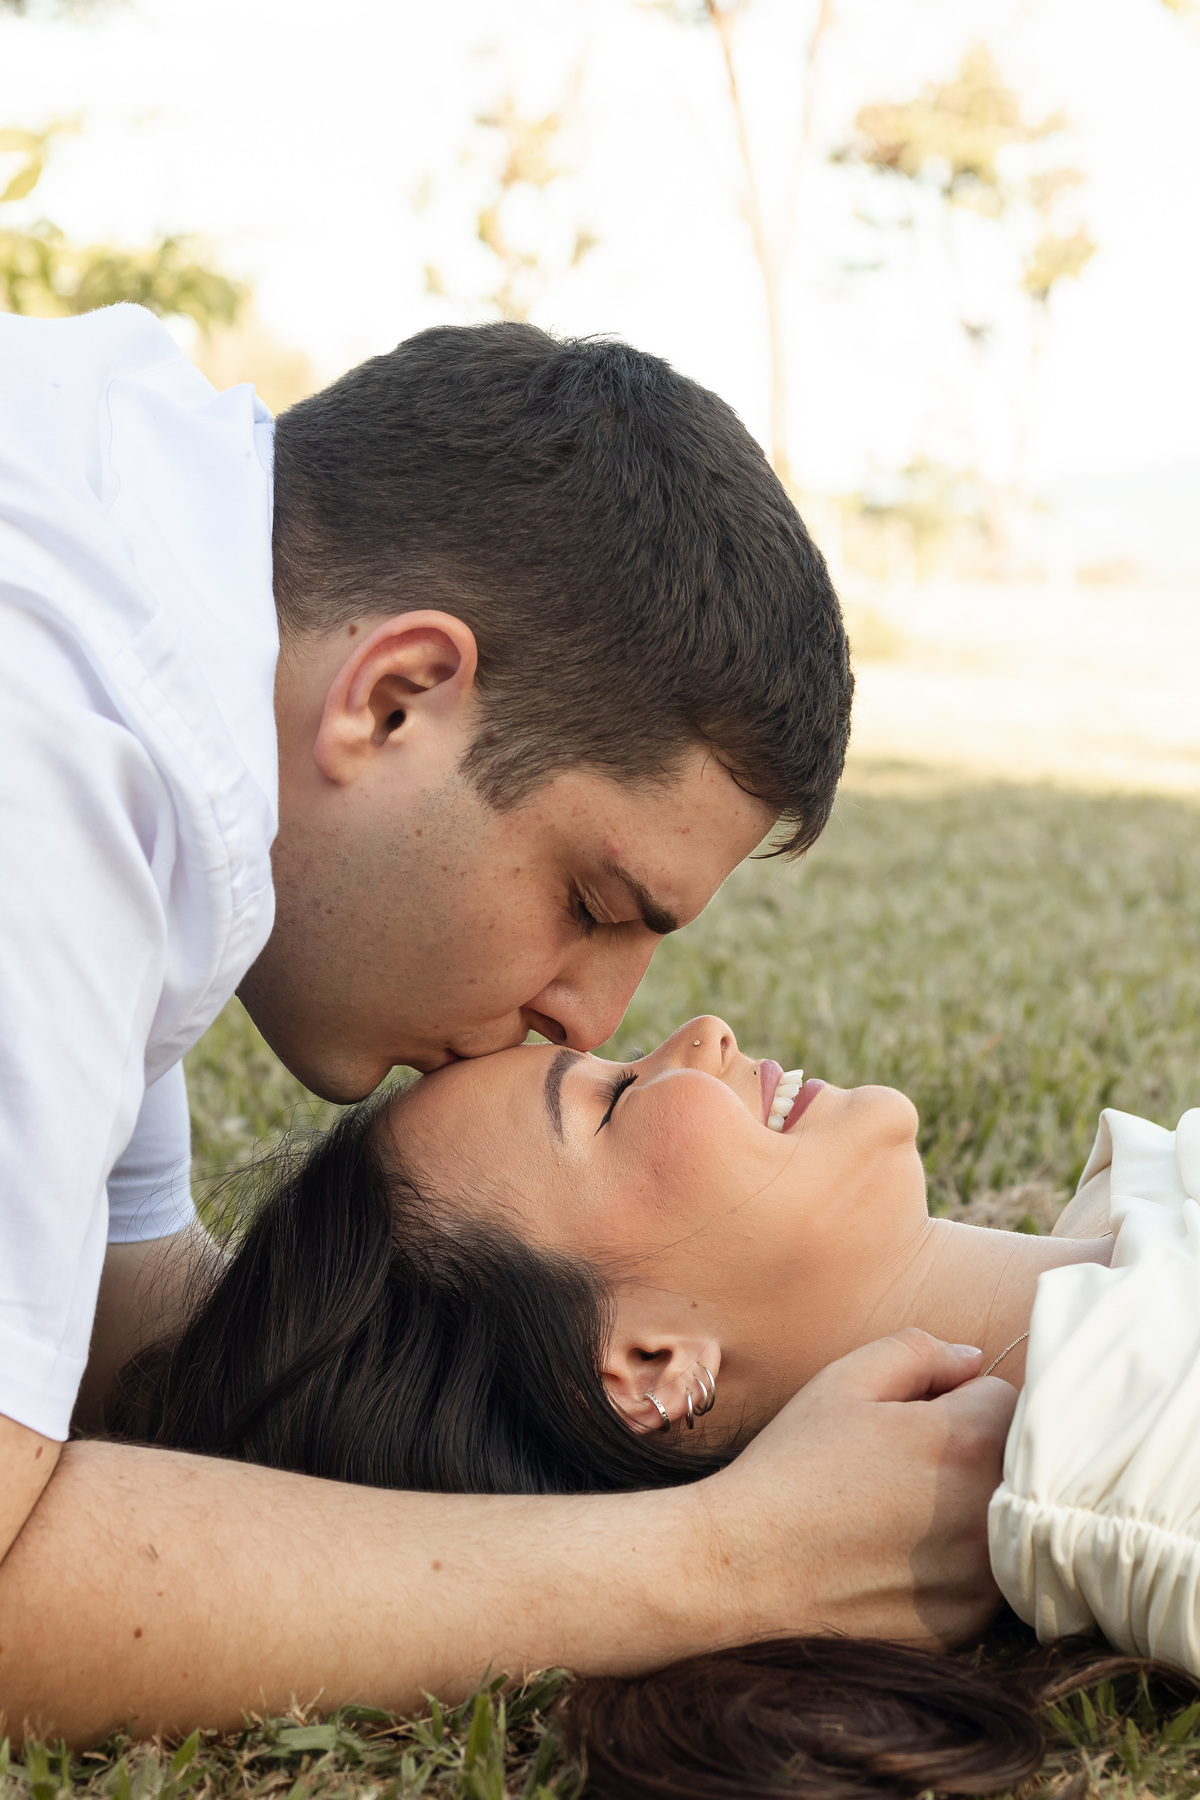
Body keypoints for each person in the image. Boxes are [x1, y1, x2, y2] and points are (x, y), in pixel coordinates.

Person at [0, 307, 1013, 1740]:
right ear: (399, 697)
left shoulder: (142, 532)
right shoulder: (45, 767)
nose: (585, 1017)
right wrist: (728, 1559)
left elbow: (124, 1332)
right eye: (595, 903)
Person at [104, 1016, 1200, 1795]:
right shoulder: (1136, 1448)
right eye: (617, 1098)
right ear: (646, 1366)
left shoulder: (1130, 1231)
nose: (705, 1032)